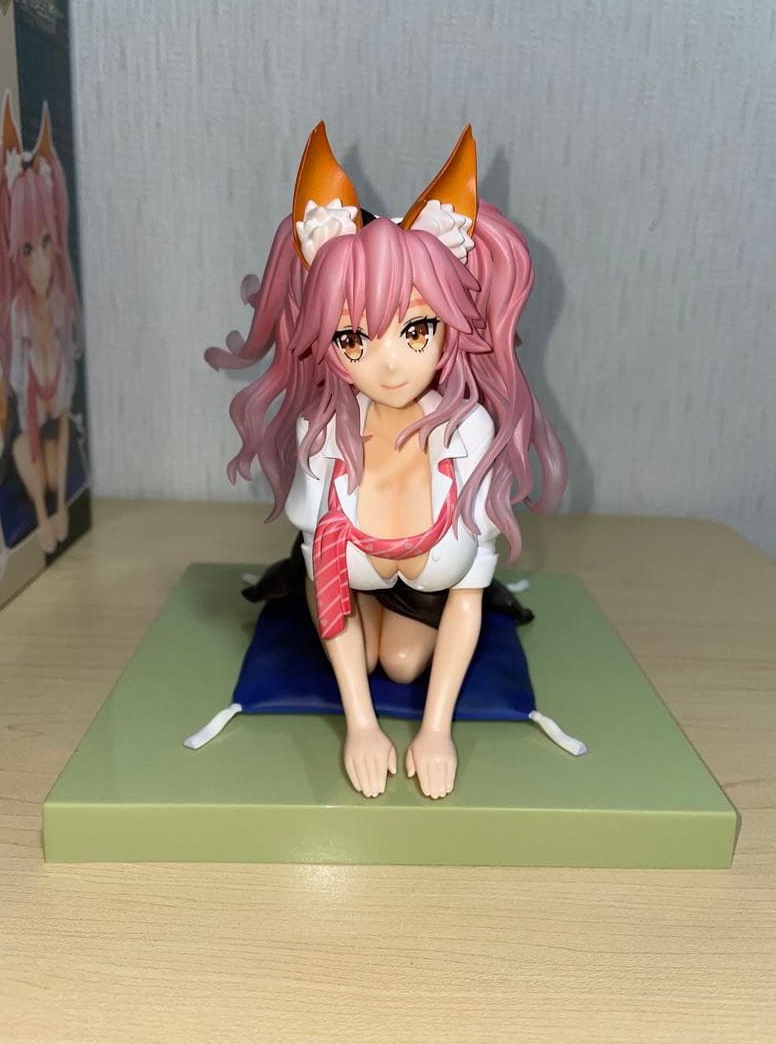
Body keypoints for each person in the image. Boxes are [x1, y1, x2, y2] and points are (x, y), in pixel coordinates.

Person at [207, 124, 567, 799]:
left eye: (416, 329)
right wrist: (362, 727)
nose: (390, 364)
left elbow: (466, 596)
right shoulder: (324, 439)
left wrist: (436, 731)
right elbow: (328, 584)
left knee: (401, 663)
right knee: (363, 647)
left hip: (429, 590)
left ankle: (391, 641)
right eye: (353, 338)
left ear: (450, 326)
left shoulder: (469, 438)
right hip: (345, 582)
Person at [0, 92, 81, 553]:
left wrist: (63, 506)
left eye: (45, 244)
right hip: (25, 423)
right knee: (28, 458)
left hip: (51, 413)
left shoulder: (62, 305)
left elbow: (61, 422)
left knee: (52, 457)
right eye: (28, 250)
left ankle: (57, 505)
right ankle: (43, 513)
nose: (41, 265)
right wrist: (47, 519)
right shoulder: (16, 315)